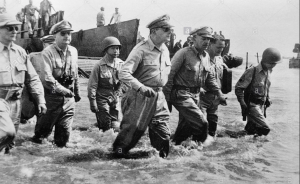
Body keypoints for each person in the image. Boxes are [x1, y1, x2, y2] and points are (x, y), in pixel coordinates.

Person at [113, 14, 173, 158]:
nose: (169, 33)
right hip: (139, 97)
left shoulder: (165, 50)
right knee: (130, 136)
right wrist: (141, 87)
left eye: (170, 29)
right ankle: (115, 161)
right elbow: (124, 73)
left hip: (158, 97)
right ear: (153, 31)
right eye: (165, 29)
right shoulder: (140, 50)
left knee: (163, 134)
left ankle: (161, 167)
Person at [163, 27, 227, 146]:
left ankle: (171, 151)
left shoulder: (206, 56)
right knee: (202, 123)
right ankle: (198, 151)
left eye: (209, 39)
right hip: (181, 94)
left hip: (195, 96)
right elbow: (169, 75)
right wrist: (167, 99)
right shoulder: (183, 53)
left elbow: (210, 78)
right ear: (193, 38)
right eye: (203, 38)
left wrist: (219, 94)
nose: (207, 41)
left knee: (185, 130)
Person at [0, 13, 46, 153]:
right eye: (9, 28)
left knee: (9, 145)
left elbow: (32, 78)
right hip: (0, 101)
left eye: (15, 28)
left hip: (16, 103)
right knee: (7, 133)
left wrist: (40, 100)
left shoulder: (20, 52)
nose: (14, 31)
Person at [31, 20, 81, 147]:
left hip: (69, 100)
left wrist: (77, 92)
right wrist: (63, 91)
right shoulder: (47, 52)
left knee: (63, 139)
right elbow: (46, 78)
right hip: (51, 99)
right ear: (55, 36)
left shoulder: (74, 51)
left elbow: (75, 74)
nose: (66, 36)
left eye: (69, 34)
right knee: (41, 137)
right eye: (63, 33)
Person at [226, 48, 282, 138]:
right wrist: (242, 103)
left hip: (261, 105)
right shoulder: (253, 70)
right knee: (265, 128)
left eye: (275, 64)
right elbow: (239, 88)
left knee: (252, 131)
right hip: (252, 105)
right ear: (264, 60)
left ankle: (245, 146)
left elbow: (266, 87)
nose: (273, 66)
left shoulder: (268, 71)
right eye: (271, 63)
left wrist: (268, 98)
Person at [88, 36, 124, 132]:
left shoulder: (121, 64)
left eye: (117, 48)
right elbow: (92, 85)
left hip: (115, 98)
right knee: (105, 126)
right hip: (102, 99)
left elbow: (126, 82)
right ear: (106, 49)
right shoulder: (98, 65)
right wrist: (93, 102)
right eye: (113, 48)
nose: (116, 51)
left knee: (116, 126)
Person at [21, 35, 55, 124]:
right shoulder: (32, 57)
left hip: (48, 96)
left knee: (44, 122)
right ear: (44, 44)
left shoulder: (59, 59)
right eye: (50, 44)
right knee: (23, 117)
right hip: (31, 95)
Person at [199, 34, 228, 138]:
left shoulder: (220, 60)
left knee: (212, 129)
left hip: (215, 99)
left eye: (222, 47)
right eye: (218, 47)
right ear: (210, 44)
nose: (221, 50)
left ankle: (209, 150)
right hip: (202, 98)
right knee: (201, 126)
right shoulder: (201, 59)